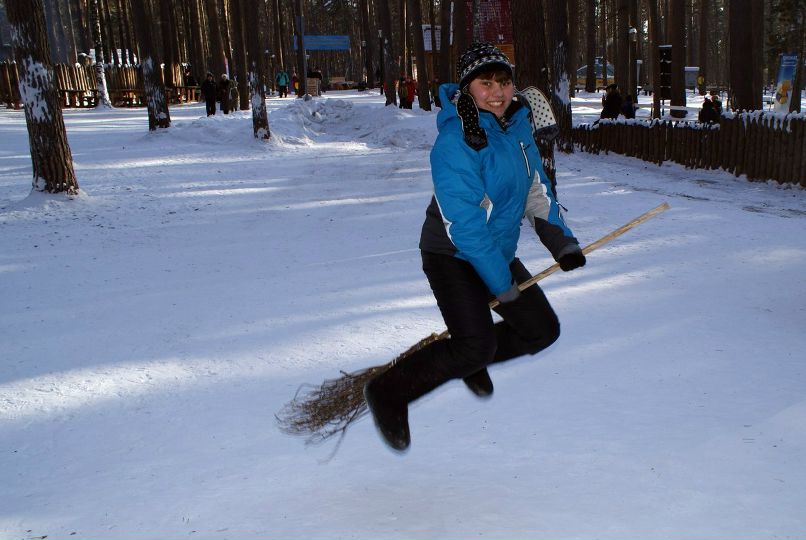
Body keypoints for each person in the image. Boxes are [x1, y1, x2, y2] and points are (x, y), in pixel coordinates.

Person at [363, 42, 586, 452]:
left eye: (504, 81)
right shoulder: (455, 142)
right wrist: (502, 285)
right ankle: (388, 392)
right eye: (486, 83)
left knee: (541, 331)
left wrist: (562, 242)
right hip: (452, 254)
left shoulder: (517, 127)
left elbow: (537, 190)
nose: (498, 91)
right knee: (474, 344)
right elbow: (464, 227)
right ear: (467, 89)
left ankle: (472, 361)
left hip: (494, 251)